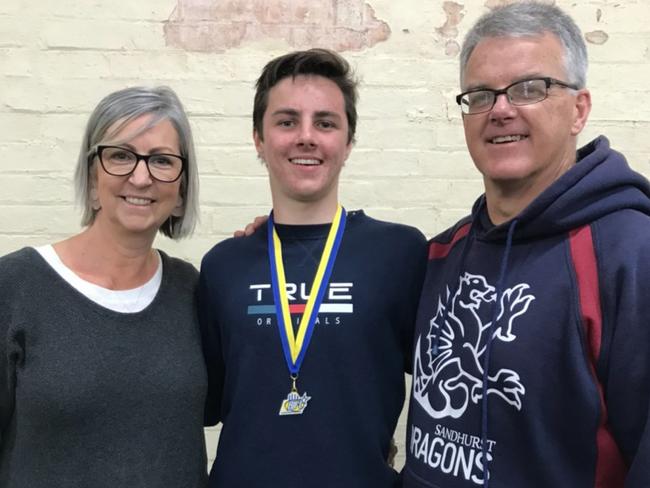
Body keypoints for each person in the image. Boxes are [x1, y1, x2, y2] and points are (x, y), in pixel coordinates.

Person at [404, 2, 650, 487]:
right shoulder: (439, 255)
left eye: (530, 89)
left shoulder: (631, 254)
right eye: (480, 95)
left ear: (579, 109)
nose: (500, 110)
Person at [198, 48, 427, 487]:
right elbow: (206, 403)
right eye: (286, 122)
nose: (306, 137)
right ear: (259, 139)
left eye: (325, 123)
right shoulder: (223, 265)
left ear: (348, 142)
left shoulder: (401, 253)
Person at [0, 86, 208, 487]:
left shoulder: (192, 291)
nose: (141, 176)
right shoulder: (15, 287)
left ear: (181, 192)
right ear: (93, 178)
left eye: (162, 161)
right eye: (120, 156)